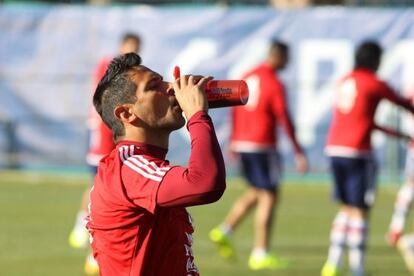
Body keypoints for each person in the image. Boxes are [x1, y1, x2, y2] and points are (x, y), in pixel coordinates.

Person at [86, 52, 226, 275]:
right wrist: (197, 115)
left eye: (164, 81)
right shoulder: (128, 166)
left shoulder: (143, 164)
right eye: (154, 86)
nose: (170, 88)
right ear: (126, 113)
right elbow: (205, 183)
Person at [209, 40, 308, 271]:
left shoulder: (248, 75)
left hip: (243, 145)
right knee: (269, 196)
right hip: (263, 146)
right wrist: (298, 151)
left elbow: (235, 108)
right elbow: (284, 117)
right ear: (278, 56)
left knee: (256, 190)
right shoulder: (273, 82)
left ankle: (224, 230)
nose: (288, 63)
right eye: (286, 58)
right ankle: (260, 252)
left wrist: (234, 140)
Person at [321, 41, 414, 276]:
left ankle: (332, 263)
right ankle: (357, 269)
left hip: (334, 149)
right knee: (361, 210)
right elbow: (402, 103)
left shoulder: (345, 81)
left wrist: (401, 134)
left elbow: (364, 121)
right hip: (358, 152)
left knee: (347, 208)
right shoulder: (373, 83)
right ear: (375, 60)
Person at [68, 32, 141, 274]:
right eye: (130, 46)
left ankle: (97, 245)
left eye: (137, 47)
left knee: (114, 189)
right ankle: (83, 224)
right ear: (122, 46)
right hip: (103, 133)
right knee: (97, 184)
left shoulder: (136, 74)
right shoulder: (108, 68)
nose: (133, 50)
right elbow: (102, 101)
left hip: (120, 134)